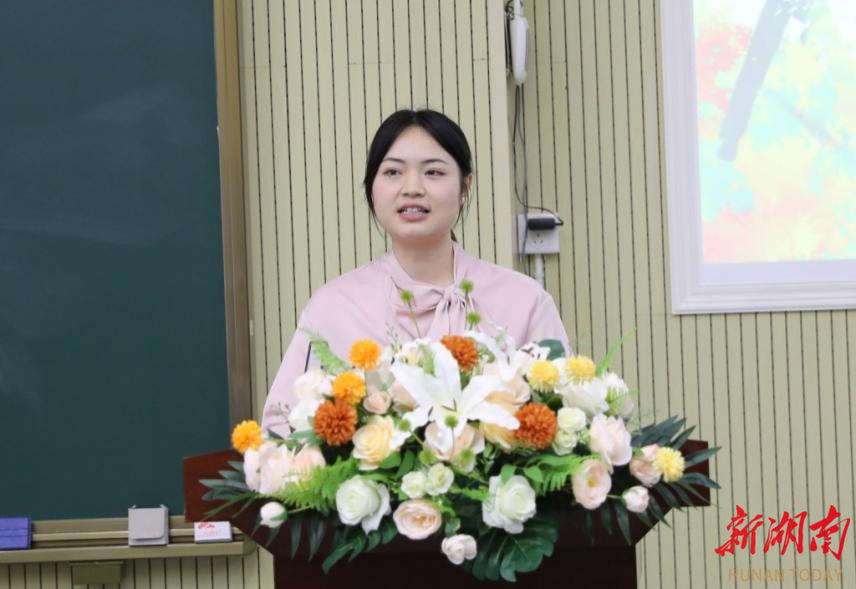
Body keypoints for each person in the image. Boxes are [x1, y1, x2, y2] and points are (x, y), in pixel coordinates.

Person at [261, 109, 568, 436]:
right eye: (393, 172)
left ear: (465, 187)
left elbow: (565, 420)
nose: (412, 188)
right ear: (372, 187)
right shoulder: (332, 307)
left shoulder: (524, 301)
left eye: (433, 172)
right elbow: (280, 428)